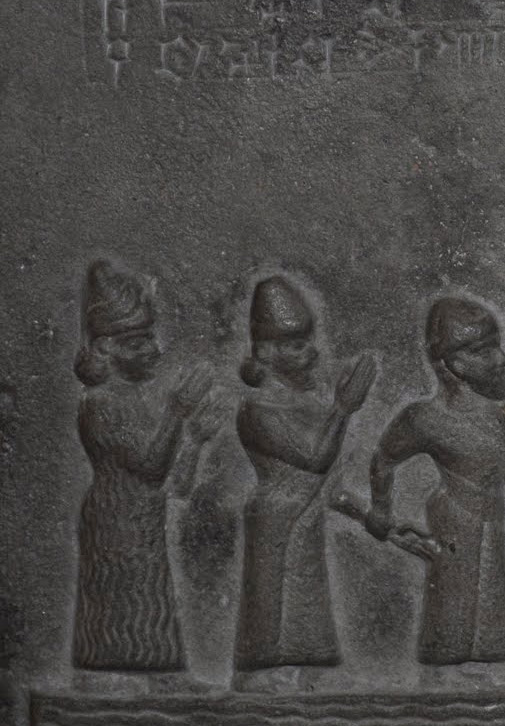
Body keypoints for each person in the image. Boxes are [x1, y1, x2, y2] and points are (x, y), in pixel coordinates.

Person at [364, 297, 505, 666]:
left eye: (497, 346)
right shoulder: (423, 418)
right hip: (452, 522)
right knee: (452, 611)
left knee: (489, 619)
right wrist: (380, 509)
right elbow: (383, 460)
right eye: (485, 350)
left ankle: (482, 676)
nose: (502, 359)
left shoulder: (501, 424)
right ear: (455, 363)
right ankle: (445, 671)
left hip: (489, 524)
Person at [72, 259, 222, 673]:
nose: (155, 350)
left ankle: (155, 680)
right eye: (138, 343)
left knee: (149, 608)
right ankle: (112, 683)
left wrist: (194, 440)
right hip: (117, 519)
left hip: (142, 517)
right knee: (122, 612)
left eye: (149, 339)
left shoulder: (132, 401)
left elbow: (174, 486)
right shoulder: (100, 404)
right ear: (106, 348)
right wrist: (177, 410)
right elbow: (152, 467)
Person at [234, 275, 377, 681]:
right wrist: (344, 409)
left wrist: (370, 517)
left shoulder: (309, 407)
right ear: (266, 352)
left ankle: (305, 685)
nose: (312, 353)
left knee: (306, 616)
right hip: (277, 520)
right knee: (275, 616)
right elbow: (314, 458)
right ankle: (264, 682)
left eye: (308, 342)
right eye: (298, 345)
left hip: (306, 516)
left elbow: (327, 486)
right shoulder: (258, 410)